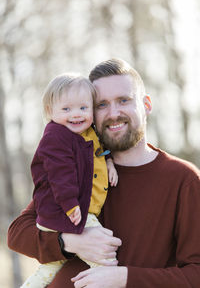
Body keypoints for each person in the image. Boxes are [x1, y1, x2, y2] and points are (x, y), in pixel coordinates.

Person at [8, 58, 200, 288]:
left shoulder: (183, 179)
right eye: (101, 104)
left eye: (124, 100)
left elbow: (195, 274)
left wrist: (125, 278)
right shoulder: (78, 165)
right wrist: (69, 243)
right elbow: (18, 233)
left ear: (146, 104)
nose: (113, 113)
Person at [20, 73, 118, 288]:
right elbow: (59, 174)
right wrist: (70, 204)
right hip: (69, 210)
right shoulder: (56, 137)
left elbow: (99, 151)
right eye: (66, 109)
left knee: (48, 269)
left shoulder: (87, 132)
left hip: (75, 209)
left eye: (84, 108)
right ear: (50, 112)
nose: (76, 115)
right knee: (106, 264)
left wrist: (109, 162)